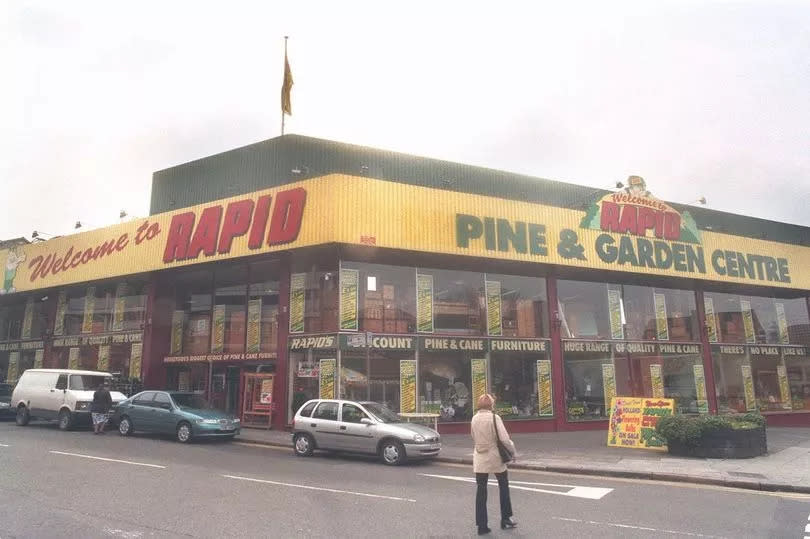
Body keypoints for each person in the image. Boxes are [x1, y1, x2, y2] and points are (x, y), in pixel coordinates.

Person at [471, 393, 517, 535]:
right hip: (495, 456)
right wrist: (513, 452)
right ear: (491, 405)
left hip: (480, 457)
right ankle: (505, 519)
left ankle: (482, 526)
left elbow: (473, 436)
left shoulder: (474, 418)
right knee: (503, 485)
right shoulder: (494, 417)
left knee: (481, 491)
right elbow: (504, 439)